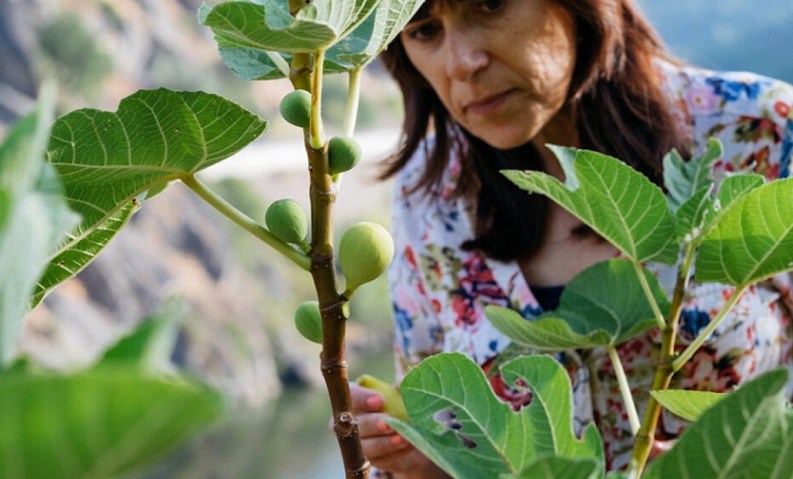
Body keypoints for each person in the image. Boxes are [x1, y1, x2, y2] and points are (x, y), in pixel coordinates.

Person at [349, 0, 793, 476]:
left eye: (487, 6)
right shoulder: (429, 194)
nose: (461, 63)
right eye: (424, 30)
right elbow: (434, 411)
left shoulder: (762, 134)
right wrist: (430, 459)